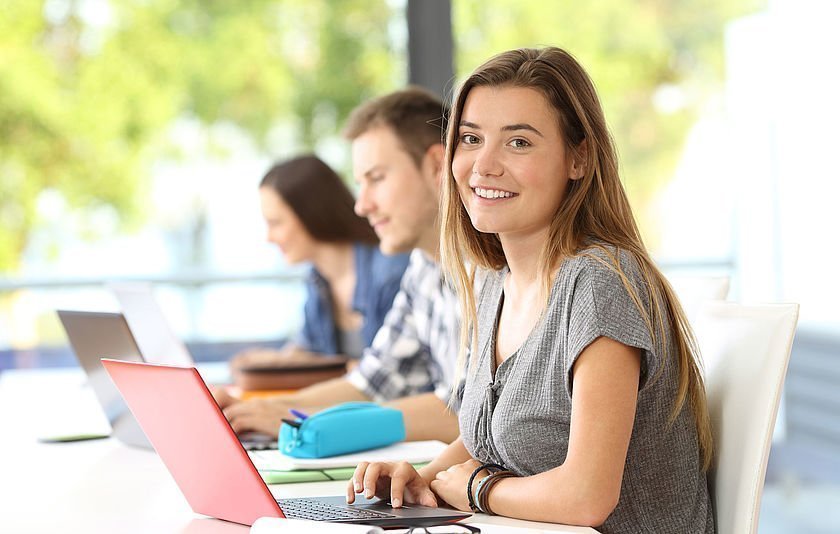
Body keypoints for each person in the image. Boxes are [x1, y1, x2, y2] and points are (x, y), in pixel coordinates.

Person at [347, 47, 715, 533]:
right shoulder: (494, 284)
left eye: (519, 142)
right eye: (471, 139)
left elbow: (586, 498)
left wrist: (478, 489)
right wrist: (422, 480)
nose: (484, 166)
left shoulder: (600, 284)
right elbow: (485, 438)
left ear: (578, 158)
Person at [218, 88, 462, 443]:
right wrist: (270, 408)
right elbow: (371, 383)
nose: (361, 206)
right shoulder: (423, 270)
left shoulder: (495, 270)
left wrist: (304, 420)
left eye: (376, 178)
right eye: (360, 183)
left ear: (437, 166)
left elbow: (470, 413)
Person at [229, 155, 408, 371]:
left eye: (275, 223)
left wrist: (317, 368)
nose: (268, 237)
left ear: (310, 214)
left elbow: (390, 375)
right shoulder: (318, 281)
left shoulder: (391, 273)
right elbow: (308, 349)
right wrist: (273, 361)